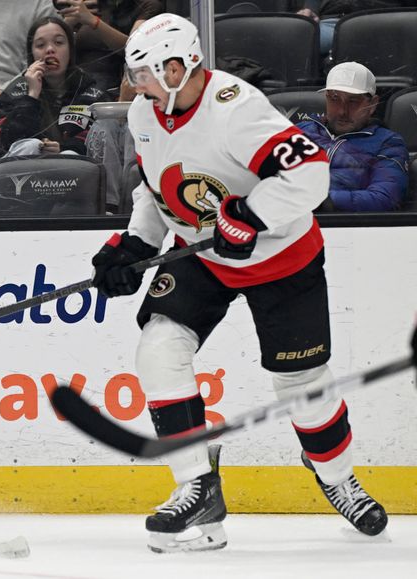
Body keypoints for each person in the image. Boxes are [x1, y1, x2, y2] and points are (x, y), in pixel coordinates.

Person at [90, 14, 387, 553]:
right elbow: (158, 190)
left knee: (302, 389)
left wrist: (250, 214)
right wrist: (135, 243)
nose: (136, 86)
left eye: (144, 74)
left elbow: (310, 173)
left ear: (177, 67)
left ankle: (337, 476)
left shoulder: (236, 110)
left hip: (281, 257)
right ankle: (197, 487)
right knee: (159, 348)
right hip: (202, 253)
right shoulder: (146, 113)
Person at [0, 16, 108, 160]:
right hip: (19, 173)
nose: (50, 49)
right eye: (40, 45)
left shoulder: (91, 91)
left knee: (70, 156)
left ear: (70, 49)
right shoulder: (16, 90)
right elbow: (8, 141)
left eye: (59, 42)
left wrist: (63, 148)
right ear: (32, 54)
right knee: (30, 146)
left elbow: (99, 140)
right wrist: (31, 95)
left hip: (71, 172)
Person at [297, 62, 408, 212]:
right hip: (288, 223)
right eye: (335, 99)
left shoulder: (388, 143)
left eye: (353, 101)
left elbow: (386, 197)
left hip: (345, 225)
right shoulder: (300, 131)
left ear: (373, 104)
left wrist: (323, 201)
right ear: (326, 98)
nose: (343, 111)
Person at [56, 0, 163, 94]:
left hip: (117, 86)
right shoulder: (86, 5)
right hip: (76, 85)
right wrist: (69, 22)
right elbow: (55, 48)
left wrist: (94, 22)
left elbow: (134, 48)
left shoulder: (146, 6)